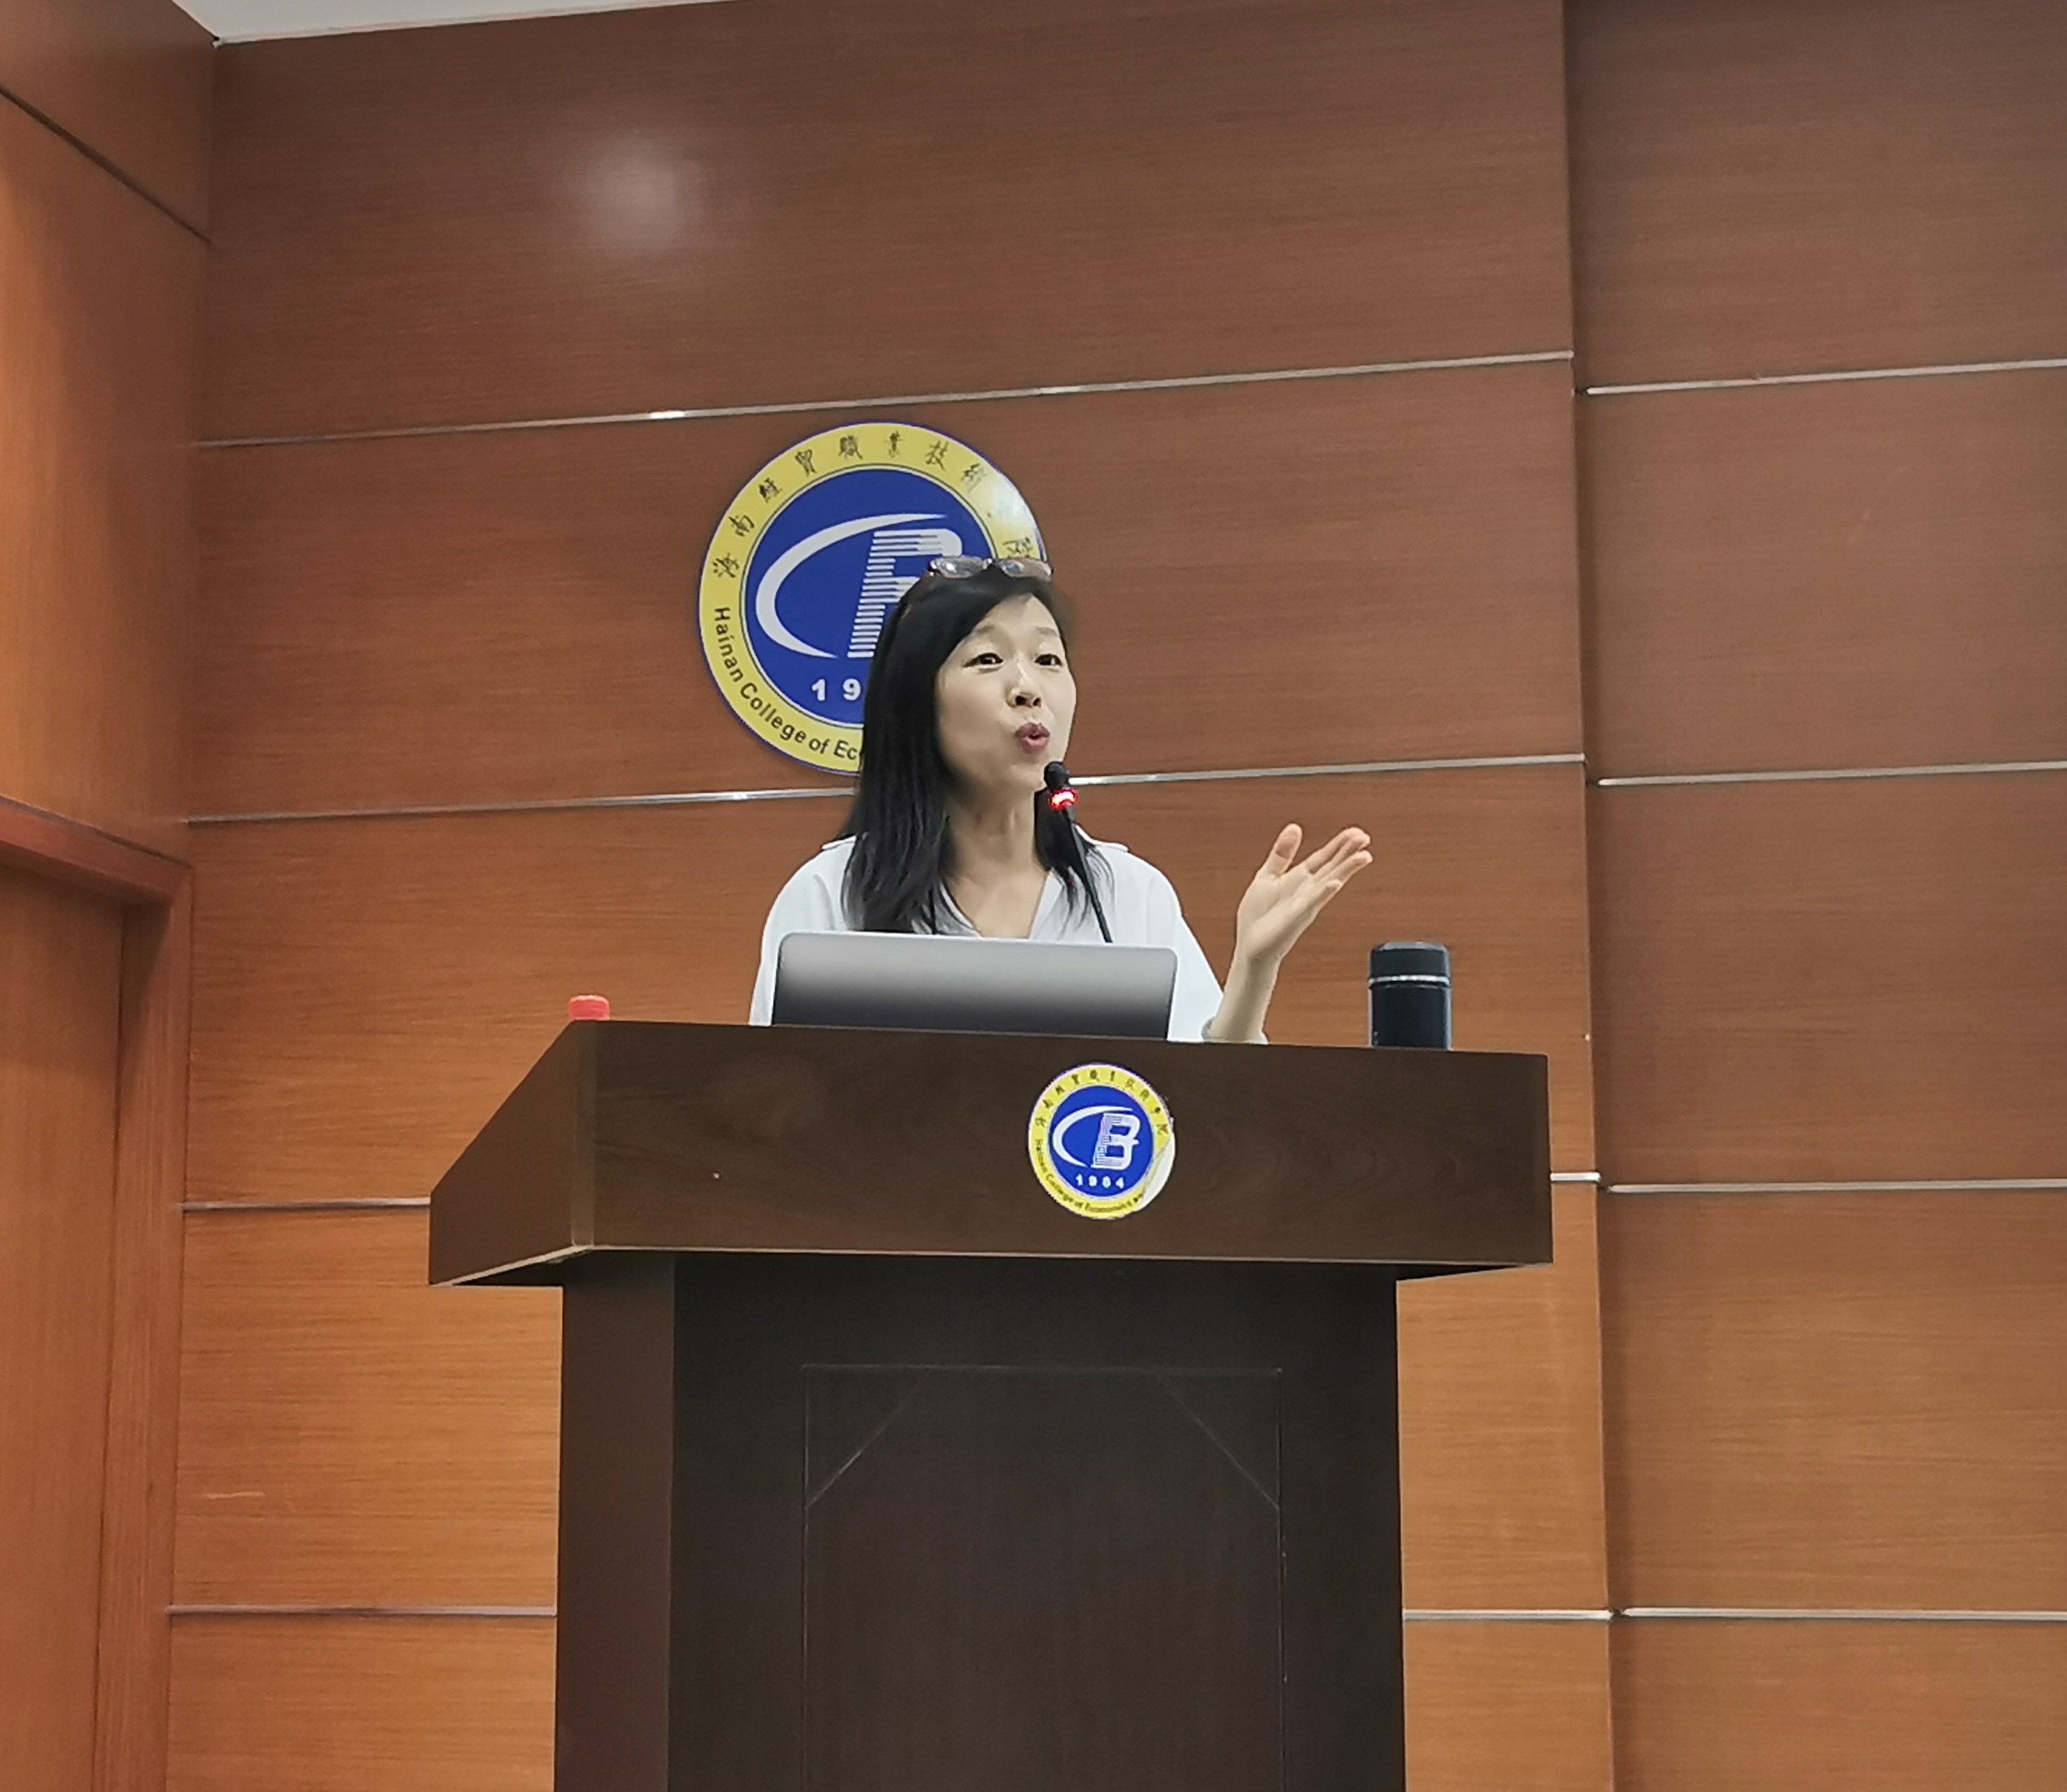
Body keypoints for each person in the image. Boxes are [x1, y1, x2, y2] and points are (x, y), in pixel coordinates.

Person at [748, 557, 1371, 1040]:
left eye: (1048, 658)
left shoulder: (1125, 893)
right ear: (916, 703)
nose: (1028, 687)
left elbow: (1206, 1105)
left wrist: (1254, 968)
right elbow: (770, 1109)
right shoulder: (833, 892)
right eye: (987, 659)